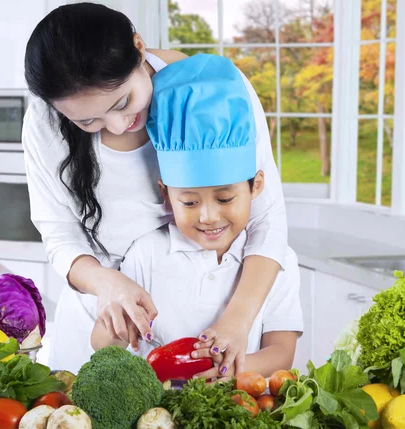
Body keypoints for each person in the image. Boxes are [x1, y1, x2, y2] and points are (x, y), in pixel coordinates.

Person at [22, 2, 289, 374]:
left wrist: (238, 321)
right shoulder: (46, 121)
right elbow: (59, 234)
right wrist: (107, 285)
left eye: (123, 102)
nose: (116, 125)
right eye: (87, 120)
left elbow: (267, 218)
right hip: (102, 327)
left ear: (139, 47)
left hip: (217, 320)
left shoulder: (217, 91)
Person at [91, 54, 303, 378]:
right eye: (189, 203)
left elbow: (282, 354)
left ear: (256, 185)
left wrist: (228, 374)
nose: (208, 216)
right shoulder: (147, 254)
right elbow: (102, 345)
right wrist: (117, 324)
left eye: (225, 198)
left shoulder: (277, 261)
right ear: (166, 194)